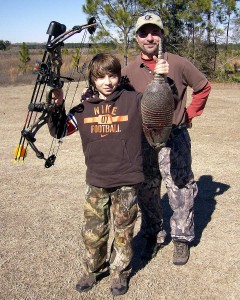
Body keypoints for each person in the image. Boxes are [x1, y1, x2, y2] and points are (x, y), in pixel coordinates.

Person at [48, 53, 167, 295]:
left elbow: (159, 107)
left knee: (124, 233)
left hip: (127, 180)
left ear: (119, 76)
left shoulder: (134, 100)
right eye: (101, 77)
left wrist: (161, 80)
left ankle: (119, 273)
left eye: (112, 75)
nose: (108, 82)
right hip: (97, 181)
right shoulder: (82, 108)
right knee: (93, 232)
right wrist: (57, 105)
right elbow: (60, 130)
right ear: (92, 80)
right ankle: (93, 269)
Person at [121, 12, 211, 265]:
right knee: (147, 189)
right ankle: (152, 234)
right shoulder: (128, 71)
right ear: (137, 37)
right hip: (144, 138)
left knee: (180, 187)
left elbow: (203, 86)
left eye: (155, 32)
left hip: (175, 137)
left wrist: (189, 114)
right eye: (143, 32)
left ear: (162, 35)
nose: (149, 37)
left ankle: (181, 238)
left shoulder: (179, 63)